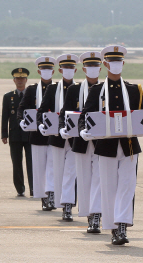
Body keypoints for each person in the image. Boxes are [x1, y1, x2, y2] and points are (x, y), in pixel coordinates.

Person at [78, 45, 143, 245]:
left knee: (127, 187)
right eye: (111, 62)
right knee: (108, 187)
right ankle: (112, 226)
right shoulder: (97, 90)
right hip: (106, 146)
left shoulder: (133, 89)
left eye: (118, 61)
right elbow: (86, 114)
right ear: (105, 64)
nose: (115, 65)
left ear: (123, 63)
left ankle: (121, 227)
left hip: (129, 146)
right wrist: (83, 131)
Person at [59, 51, 103, 232]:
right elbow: (65, 112)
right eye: (89, 66)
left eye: (96, 66)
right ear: (84, 69)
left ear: (101, 68)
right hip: (80, 139)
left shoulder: (105, 88)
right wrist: (63, 127)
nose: (93, 69)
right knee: (79, 177)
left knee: (99, 179)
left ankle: (96, 216)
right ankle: (72, 205)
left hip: (101, 141)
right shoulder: (74, 90)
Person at [37, 54, 79, 221]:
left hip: (74, 136)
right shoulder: (52, 89)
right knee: (56, 170)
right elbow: (42, 110)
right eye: (65, 68)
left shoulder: (79, 89)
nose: (68, 71)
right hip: (56, 135)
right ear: (60, 70)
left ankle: (67, 206)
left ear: (75, 70)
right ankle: (53, 196)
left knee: (70, 172)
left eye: (71, 68)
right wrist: (41, 123)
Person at [17, 56, 56, 211]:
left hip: (53, 134)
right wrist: (21, 120)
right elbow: (22, 107)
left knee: (52, 167)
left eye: (49, 69)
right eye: (43, 69)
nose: (46, 72)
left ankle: (51, 195)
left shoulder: (57, 89)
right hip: (37, 135)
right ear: (39, 71)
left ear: (53, 71)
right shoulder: (32, 89)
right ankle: (43, 196)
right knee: (39, 168)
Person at [1, 68, 33, 197]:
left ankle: (34, 188)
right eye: (17, 79)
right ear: (14, 80)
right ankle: (20, 189)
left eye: (22, 78)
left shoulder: (32, 95)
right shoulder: (9, 96)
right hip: (14, 134)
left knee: (32, 163)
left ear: (26, 80)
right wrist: (4, 134)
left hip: (30, 134)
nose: (20, 81)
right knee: (17, 163)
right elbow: (5, 116)